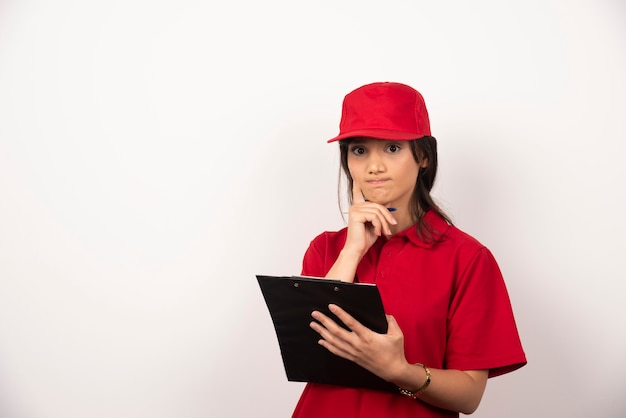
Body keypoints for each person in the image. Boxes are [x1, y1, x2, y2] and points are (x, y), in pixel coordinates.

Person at [291, 82, 526, 418]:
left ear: (424, 156)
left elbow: (470, 395)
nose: (374, 166)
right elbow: (308, 356)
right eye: (359, 150)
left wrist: (399, 370)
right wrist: (353, 250)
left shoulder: (468, 259)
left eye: (392, 148)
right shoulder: (326, 248)